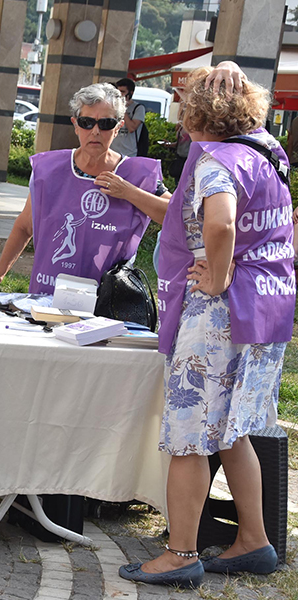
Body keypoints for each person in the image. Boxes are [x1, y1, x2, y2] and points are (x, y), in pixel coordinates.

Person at [120, 66, 295, 588]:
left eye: (181, 104)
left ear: (196, 115)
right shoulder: (268, 152)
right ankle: (254, 541)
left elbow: (219, 221)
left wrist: (216, 278)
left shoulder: (218, 161)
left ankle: (180, 553)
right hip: (265, 309)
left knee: (189, 440)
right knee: (231, 431)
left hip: (220, 314)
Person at [0, 83, 167, 294]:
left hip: (106, 299)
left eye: (106, 123)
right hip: (48, 293)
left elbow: (174, 213)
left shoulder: (137, 173)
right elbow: (25, 226)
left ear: (118, 128)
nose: (95, 131)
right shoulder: (49, 169)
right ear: (76, 125)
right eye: (87, 122)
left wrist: (128, 192)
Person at [110, 77, 146, 157]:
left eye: (123, 92)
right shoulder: (113, 107)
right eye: (118, 92)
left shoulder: (138, 108)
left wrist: (123, 107)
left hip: (128, 153)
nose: (120, 95)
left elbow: (132, 128)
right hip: (112, 152)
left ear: (131, 93)